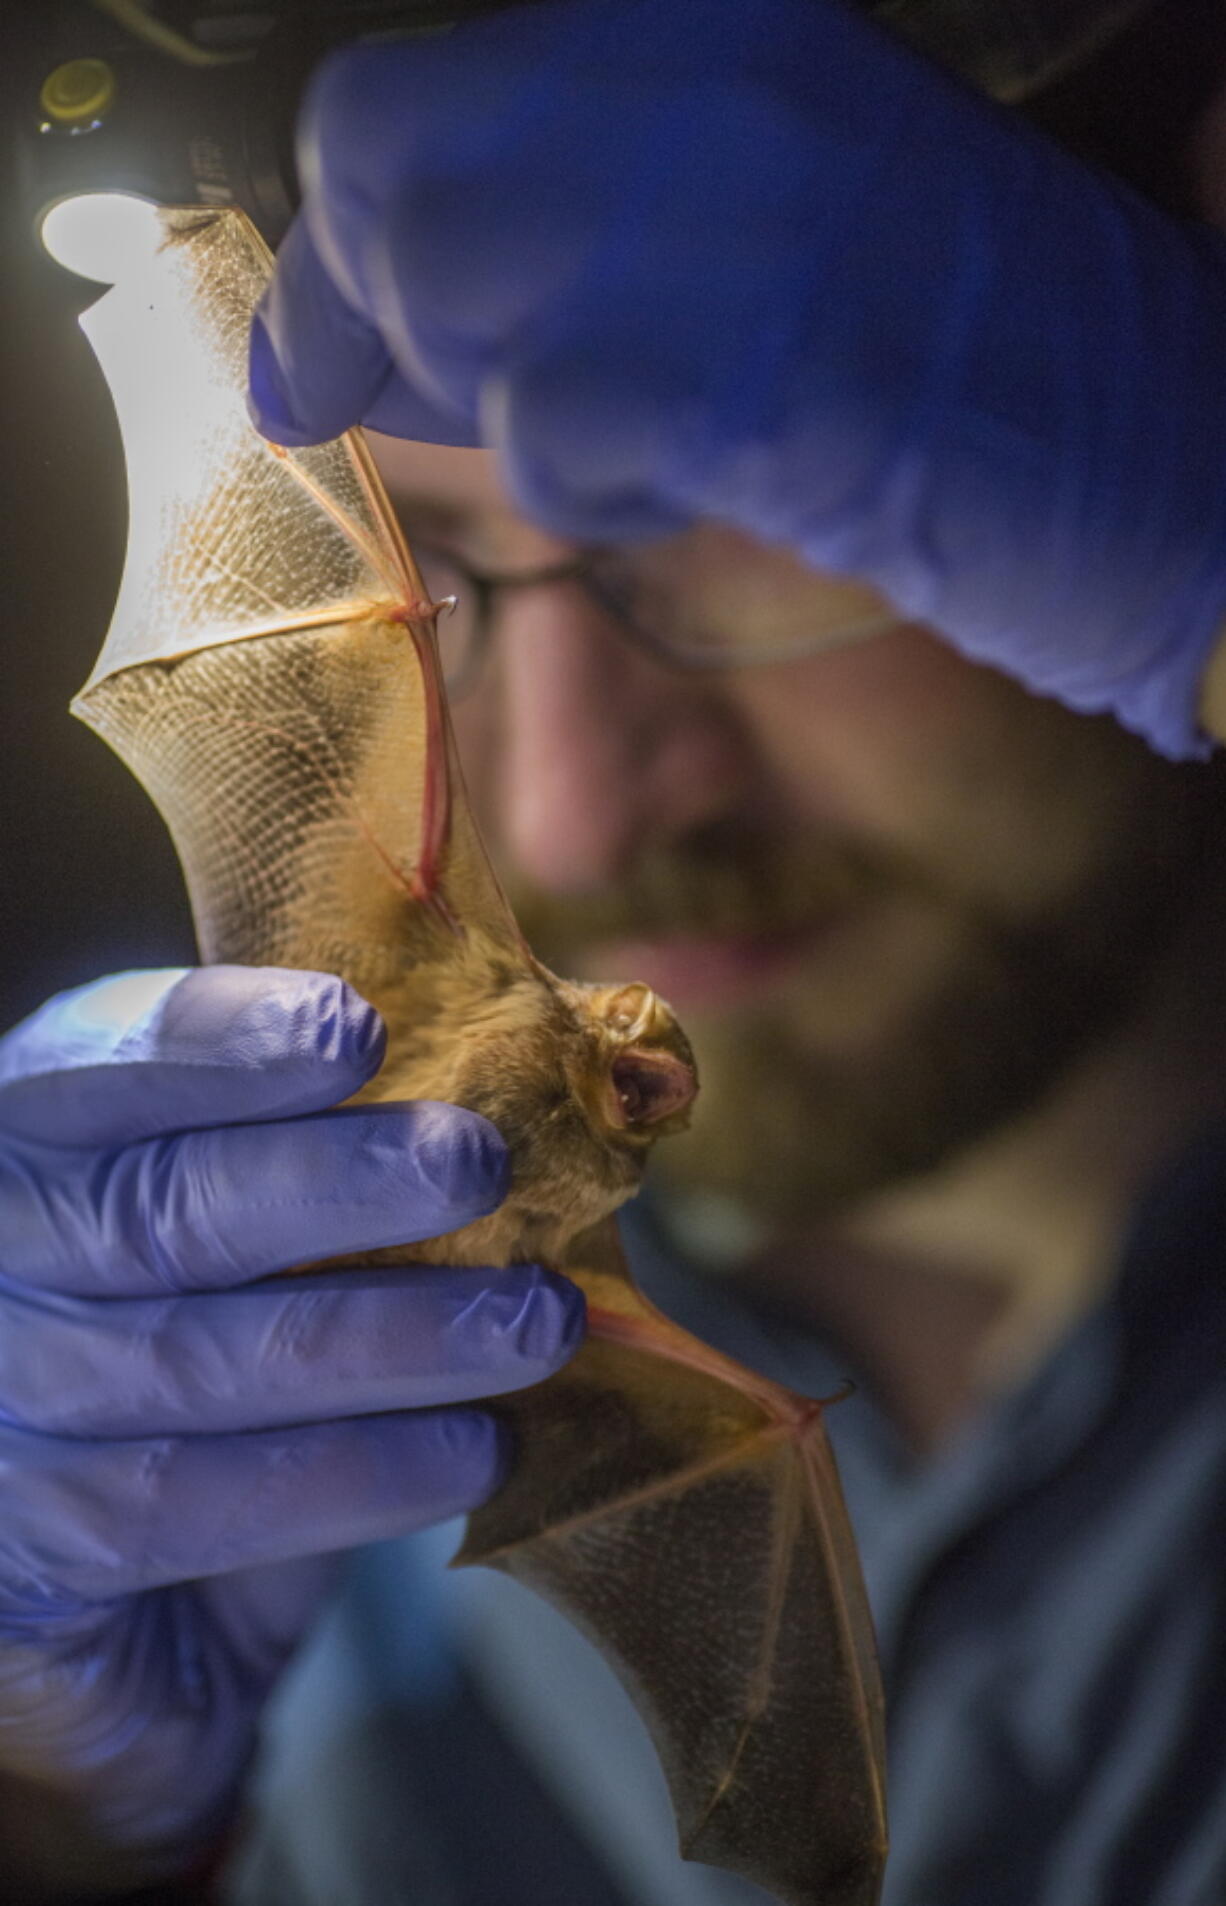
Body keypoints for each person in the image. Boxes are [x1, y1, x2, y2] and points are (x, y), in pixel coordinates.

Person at [5, 0, 1226, 1900]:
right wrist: (63, 1813)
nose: (574, 810)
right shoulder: (294, 1419)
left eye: (722, 522)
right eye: (449, 580)